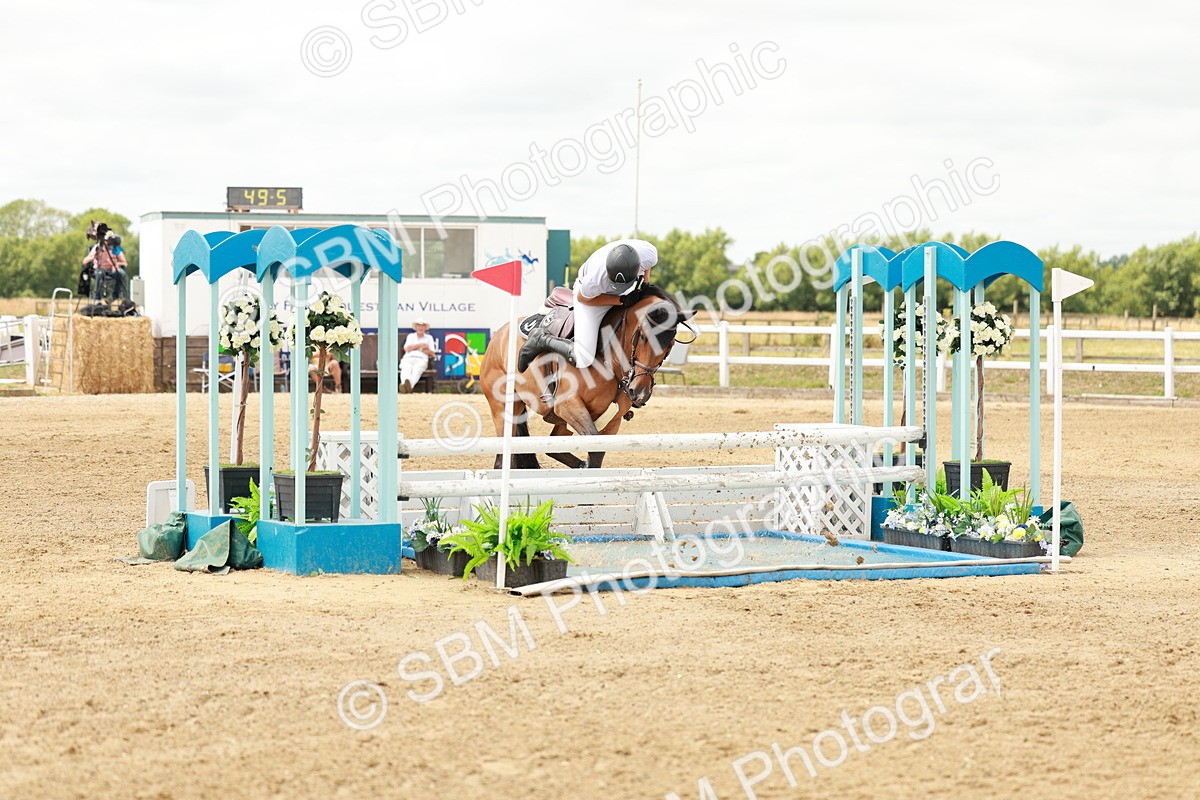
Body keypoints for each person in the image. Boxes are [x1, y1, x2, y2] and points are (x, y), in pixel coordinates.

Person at [517, 239, 657, 372]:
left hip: (626, 286)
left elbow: (647, 267)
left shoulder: (649, 254)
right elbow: (583, 299)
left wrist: (645, 283)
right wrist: (620, 300)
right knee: (583, 358)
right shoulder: (595, 280)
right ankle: (541, 339)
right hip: (592, 297)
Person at [400, 317, 437, 393]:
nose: (421, 328)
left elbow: (432, 353)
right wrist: (420, 345)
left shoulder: (429, 338)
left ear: (425, 328)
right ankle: (407, 386)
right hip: (408, 358)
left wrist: (419, 348)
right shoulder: (411, 336)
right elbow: (407, 349)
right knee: (405, 369)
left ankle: (406, 387)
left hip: (421, 359)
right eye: (419, 326)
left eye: (422, 326)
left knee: (417, 371)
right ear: (416, 327)